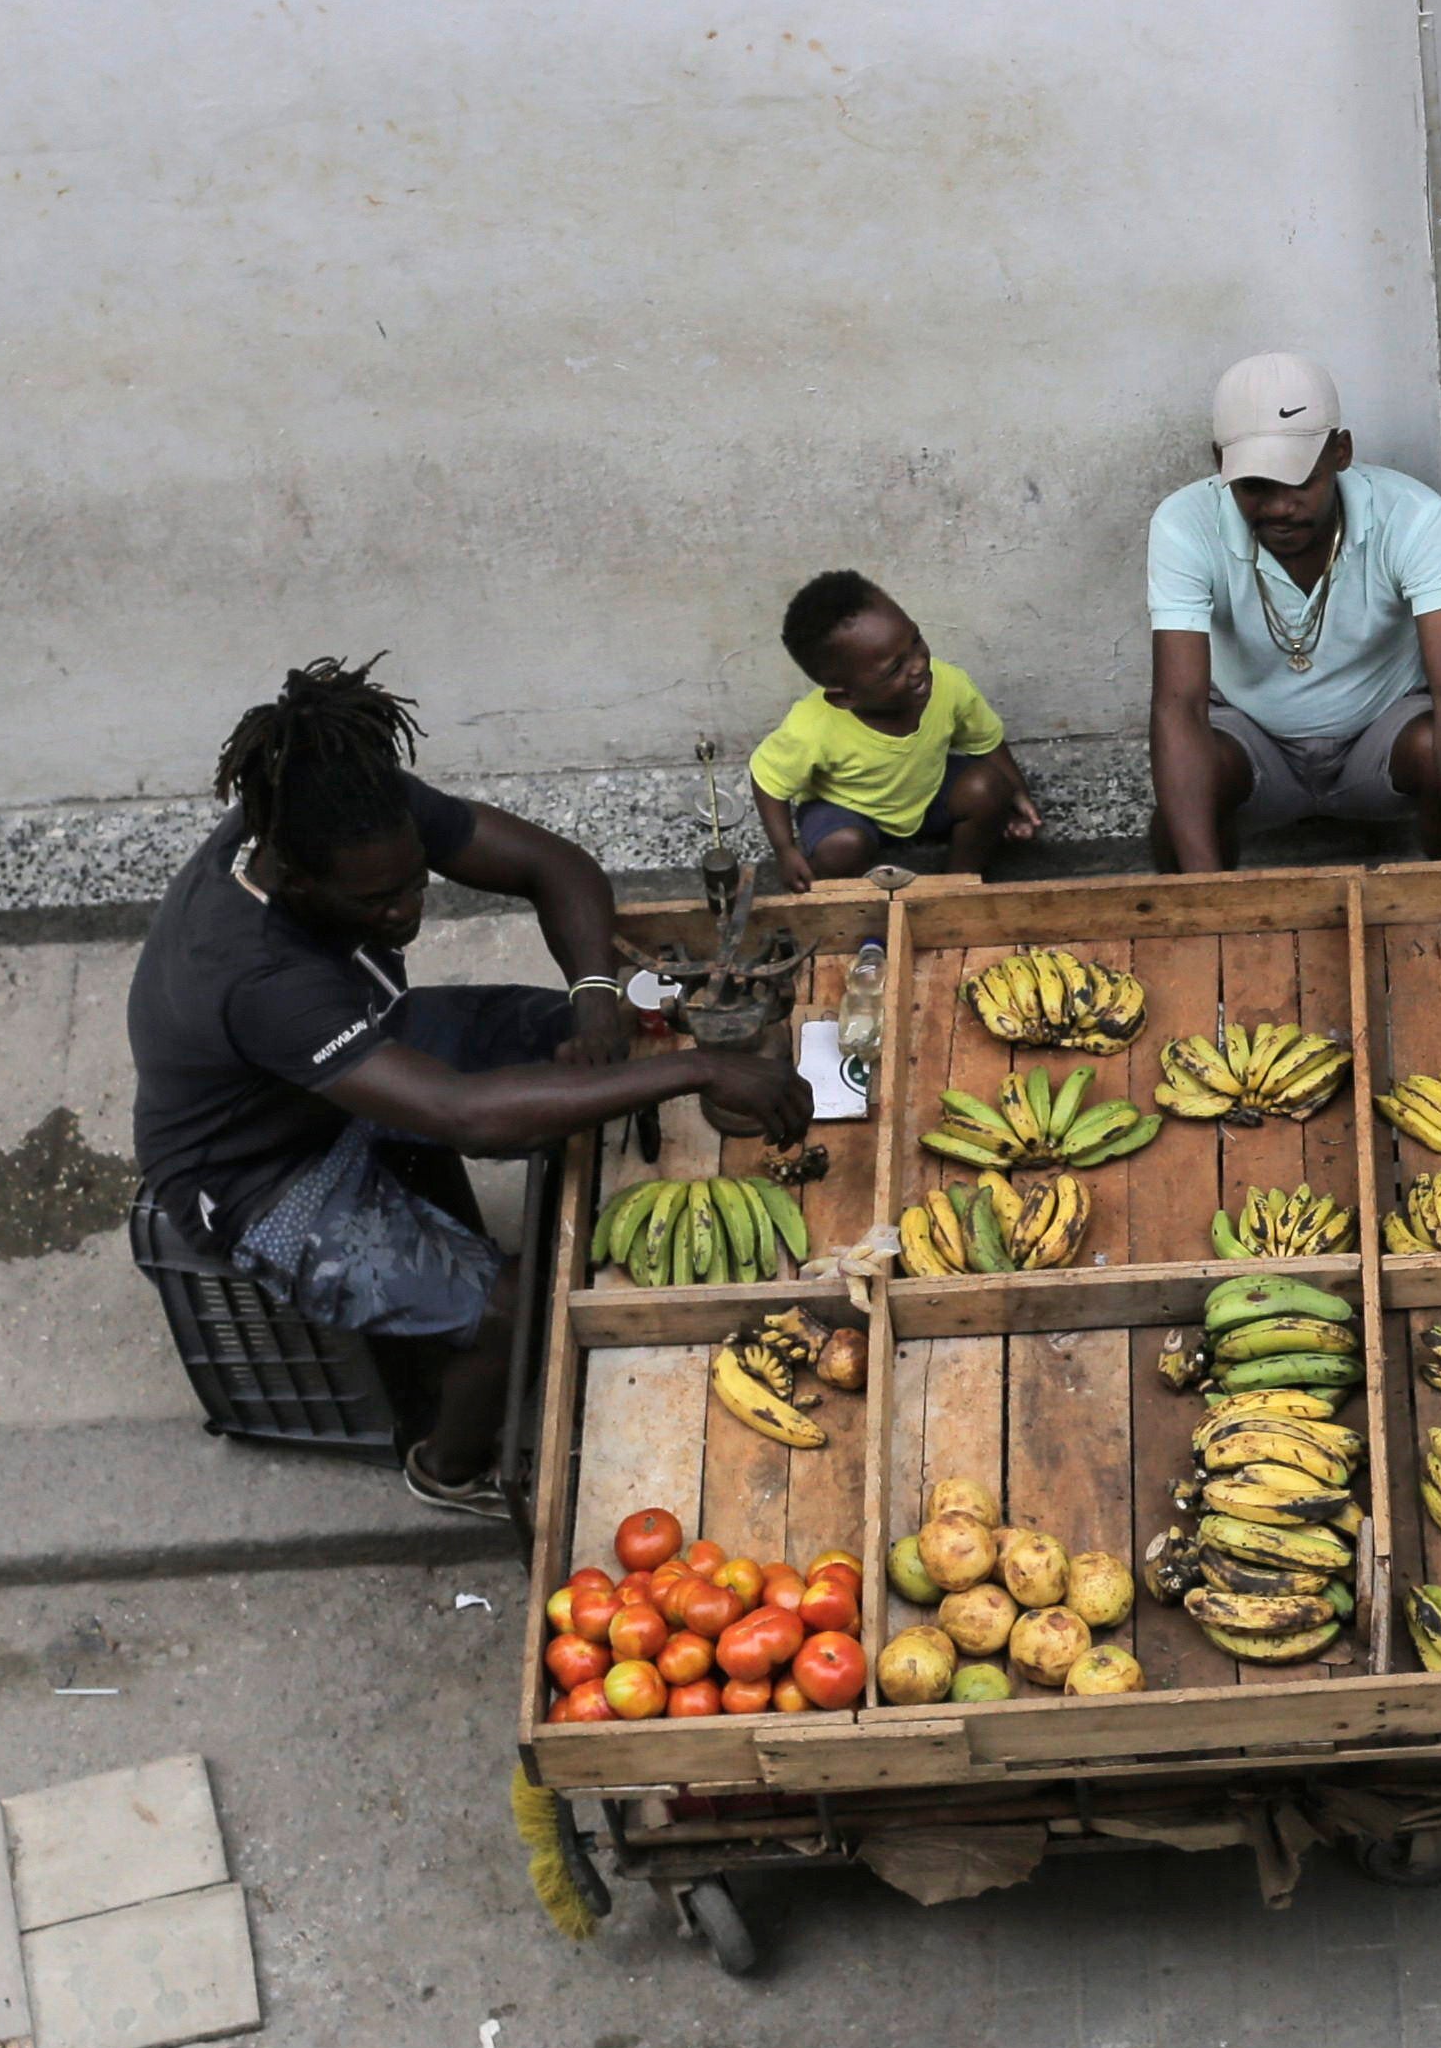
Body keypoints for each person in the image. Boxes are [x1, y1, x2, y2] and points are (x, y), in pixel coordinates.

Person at [127, 659, 808, 1517]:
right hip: (257, 1168)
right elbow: (466, 1117)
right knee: (511, 1308)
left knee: (575, 1037)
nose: (411, 907)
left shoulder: (349, 818)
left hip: (349, 1054)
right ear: (299, 883)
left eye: (418, 878)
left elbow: (555, 867)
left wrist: (595, 996)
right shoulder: (258, 975)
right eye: (380, 901)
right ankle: (451, 1467)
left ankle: (568, 1188)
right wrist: (696, 1067)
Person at [1144, 352, 1441, 871]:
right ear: (1219, 464)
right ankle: (1203, 935)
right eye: (1253, 486)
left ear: (1341, 452)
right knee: (1184, 800)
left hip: (1380, 736)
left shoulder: (1411, 516)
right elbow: (1178, 706)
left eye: (1298, 481)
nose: (1278, 506)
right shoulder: (1184, 524)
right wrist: (1207, 901)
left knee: (1440, 750)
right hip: (1253, 744)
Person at [751, 569, 1038, 884]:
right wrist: (784, 849)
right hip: (848, 811)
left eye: (916, 641)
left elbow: (986, 741)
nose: (918, 664)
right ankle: (850, 901)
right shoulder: (812, 728)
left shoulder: (949, 684)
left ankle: (959, 883)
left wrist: (1018, 794)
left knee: (989, 787)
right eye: (895, 669)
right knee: (841, 848)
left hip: (926, 795)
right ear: (845, 697)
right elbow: (768, 781)